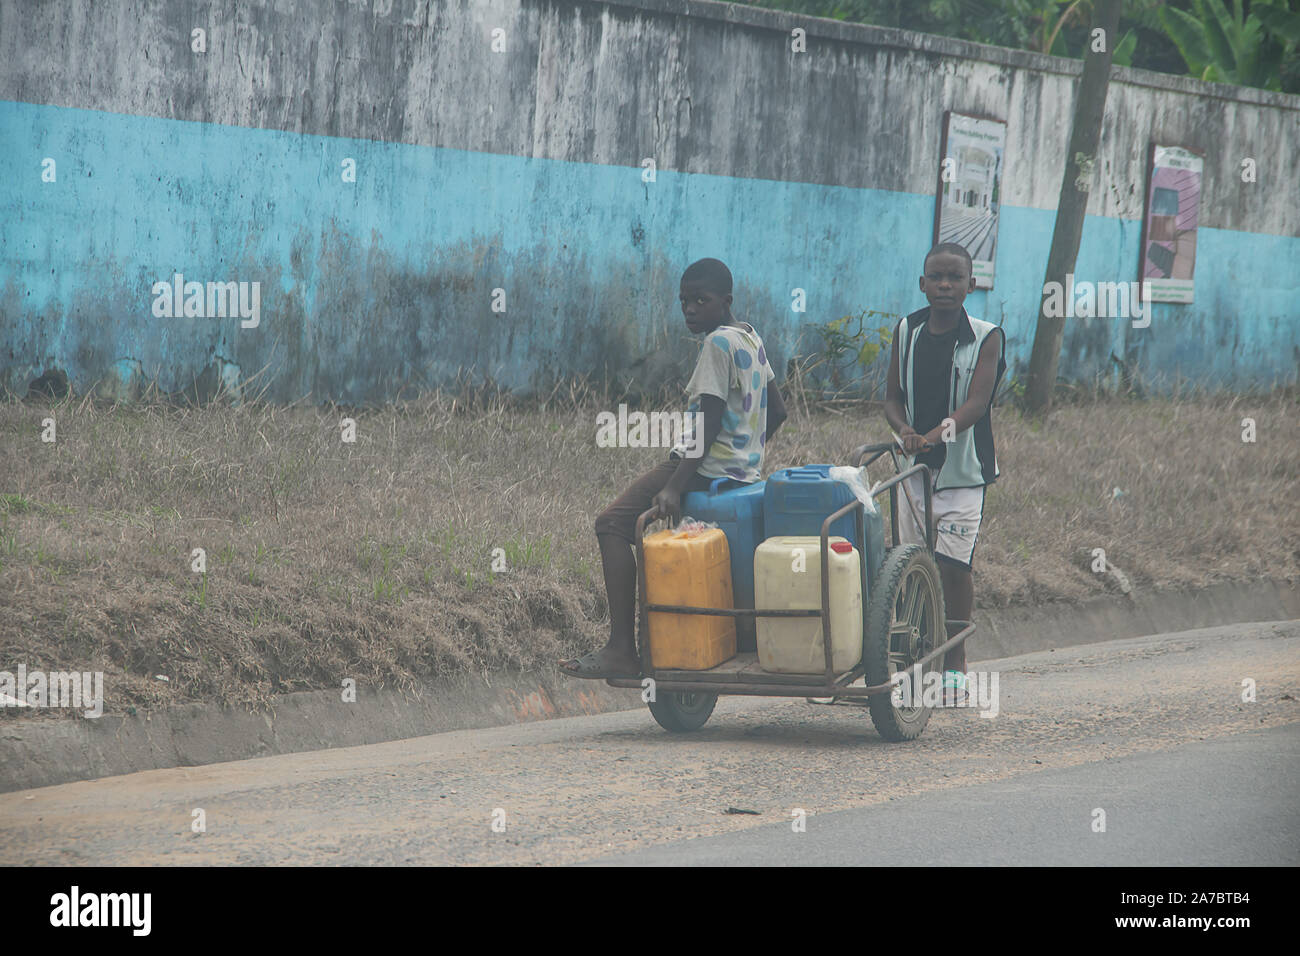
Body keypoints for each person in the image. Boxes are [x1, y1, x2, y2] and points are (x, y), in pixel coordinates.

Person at [561, 258, 787, 678]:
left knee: (610, 524)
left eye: (701, 300)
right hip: (739, 473)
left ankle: (621, 650)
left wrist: (676, 485)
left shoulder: (718, 344)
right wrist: (747, 456)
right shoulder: (750, 338)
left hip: (700, 467)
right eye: (684, 301)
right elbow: (779, 411)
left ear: (726, 301)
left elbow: (711, 421)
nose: (690, 310)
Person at [883, 242, 1006, 704]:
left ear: (971, 286)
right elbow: (891, 397)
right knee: (911, 564)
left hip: (964, 471)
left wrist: (934, 436)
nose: (945, 286)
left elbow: (976, 403)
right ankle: (915, 659)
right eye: (936, 277)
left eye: (955, 278)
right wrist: (905, 431)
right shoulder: (906, 331)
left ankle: (955, 660)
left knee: (954, 567)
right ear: (922, 284)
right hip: (911, 471)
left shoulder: (987, 336)